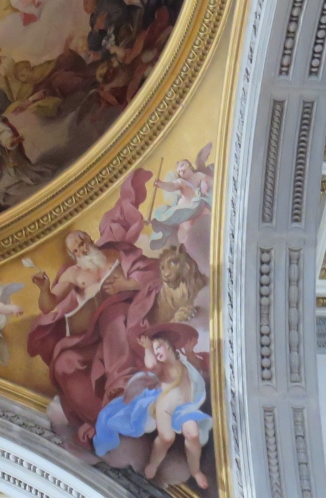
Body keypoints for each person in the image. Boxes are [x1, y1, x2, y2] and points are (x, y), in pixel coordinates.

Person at [27, 169, 164, 442]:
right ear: (72, 255)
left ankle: (121, 383)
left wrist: (126, 285)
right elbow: (48, 305)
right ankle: (100, 418)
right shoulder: (74, 274)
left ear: (89, 239)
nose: (81, 251)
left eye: (82, 243)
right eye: (76, 250)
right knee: (63, 363)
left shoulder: (115, 253)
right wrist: (43, 289)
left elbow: (151, 272)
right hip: (90, 336)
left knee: (112, 312)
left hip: (126, 318)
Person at [93, 324, 211, 489]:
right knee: (166, 438)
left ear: (168, 346)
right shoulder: (162, 368)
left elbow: (196, 366)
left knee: (193, 435)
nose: (157, 353)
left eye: (158, 348)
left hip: (185, 408)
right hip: (165, 406)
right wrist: (148, 349)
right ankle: (153, 465)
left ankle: (195, 470)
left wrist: (190, 351)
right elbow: (151, 365)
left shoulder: (184, 365)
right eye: (155, 352)